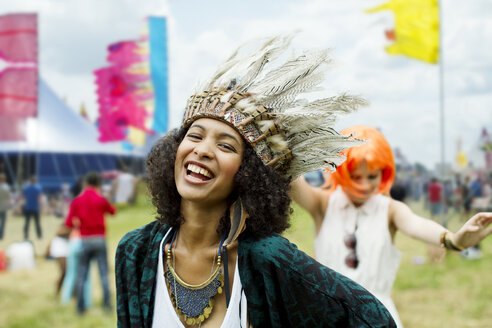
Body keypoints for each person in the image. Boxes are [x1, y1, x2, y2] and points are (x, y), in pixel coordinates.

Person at [115, 36, 396, 328]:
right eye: (195, 136)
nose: (202, 150)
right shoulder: (136, 251)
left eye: (225, 146)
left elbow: (373, 319)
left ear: (249, 173)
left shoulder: (268, 259)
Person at [291, 125, 492, 327]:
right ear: (341, 171)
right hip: (329, 318)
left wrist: (453, 240)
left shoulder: (390, 210)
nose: (364, 185)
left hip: (376, 317)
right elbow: (291, 180)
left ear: (383, 173)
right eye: (355, 176)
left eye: (372, 176)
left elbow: (416, 224)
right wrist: (278, 143)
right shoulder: (323, 204)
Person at [64, 171, 116, 314]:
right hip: (100, 239)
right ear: (98, 184)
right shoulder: (100, 199)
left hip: (85, 239)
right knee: (104, 274)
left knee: (82, 274)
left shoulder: (77, 200)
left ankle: (80, 307)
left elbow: (68, 223)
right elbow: (112, 211)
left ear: (86, 183)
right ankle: (107, 305)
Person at [22, 176, 43, 240]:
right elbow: (39, 198)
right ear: (35, 181)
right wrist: (41, 206)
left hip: (28, 207)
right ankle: (39, 235)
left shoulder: (26, 188)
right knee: (37, 223)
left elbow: (23, 197)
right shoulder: (38, 188)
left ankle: (26, 235)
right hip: (35, 208)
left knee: (27, 222)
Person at [0, 173, 11, 240]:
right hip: (4, 207)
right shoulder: (6, 187)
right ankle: (1, 235)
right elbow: (8, 198)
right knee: (3, 223)